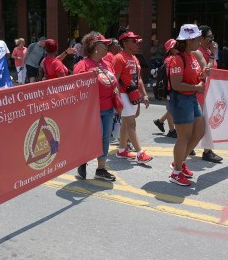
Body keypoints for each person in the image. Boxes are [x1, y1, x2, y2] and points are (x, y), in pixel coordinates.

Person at [74, 32, 118, 181]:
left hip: (108, 108)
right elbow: (77, 88)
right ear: (94, 47)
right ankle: (82, 160)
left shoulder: (107, 63)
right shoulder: (83, 65)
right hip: (91, 110)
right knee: (93, 138)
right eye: (103, 44)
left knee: (105, 138)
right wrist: (88, 76)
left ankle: (101, 169)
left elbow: (113, 83)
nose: (107, 47)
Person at [168, 24, 207, 186]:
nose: (200, 41)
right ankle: (176, 172)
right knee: (183, 137)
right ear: (189, 40)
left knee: (199, 132)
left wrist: (202, 77)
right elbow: (176, 84)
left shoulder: (192, 56)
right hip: (181, 99)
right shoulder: (178, 59)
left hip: (190, 98)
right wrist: (197, 87)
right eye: (198, 38)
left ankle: (180, 162)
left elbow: (195, 75)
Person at [112, 30, 152, 163]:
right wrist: (117, 98)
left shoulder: (135, 58)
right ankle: (140, 153)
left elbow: (138, 79)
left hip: (132, 95)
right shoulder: (119, 58)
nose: (136, 43)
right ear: (124, 43)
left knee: (125, 124)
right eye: (133, 41)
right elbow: (115, 80)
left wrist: (144, 95)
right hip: (123, 95)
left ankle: (122, 150)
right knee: (131, 124)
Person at [194, 25, 223, 163]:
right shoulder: (198, 51)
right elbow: (206, 70)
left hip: (211, 91)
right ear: (201, 38)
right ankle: (207, 151)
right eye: (209, 37)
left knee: (203, 122)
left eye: (212, 37)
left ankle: (192, 147)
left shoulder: (207, 50)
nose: (212, 40)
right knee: (205, 122)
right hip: (202, 91)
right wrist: (212, 54)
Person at [153, 38, 177, 138]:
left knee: (172, 108)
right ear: (171, 50)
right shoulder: (171, 59)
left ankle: (160, 121)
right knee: (172, 109)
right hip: (171, 88)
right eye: (176, 47)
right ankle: (171, 130)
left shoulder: (172, 58)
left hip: (172, 88)